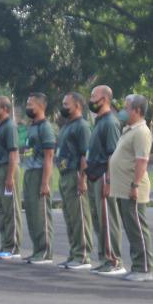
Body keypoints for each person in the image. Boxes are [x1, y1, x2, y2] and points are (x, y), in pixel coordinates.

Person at [108, 94, 153, 282]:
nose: (123, 111)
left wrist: (134, 185)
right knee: (131, 228)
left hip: (133, 188)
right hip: (123, 189)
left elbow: (142, 161)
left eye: (127, 108)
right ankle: (137, 265)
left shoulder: (142, 132)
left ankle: (144, 269)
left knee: (138, 229)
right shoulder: (129, 130)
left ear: (137, 111)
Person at [86, 85, 125, 276]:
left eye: (94, 96)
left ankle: (114, 259)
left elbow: (113, 154)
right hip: (93, 175)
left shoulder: (110, 122)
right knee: (98, 220)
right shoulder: (99, 122)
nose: (91, 100)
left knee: (107, 219)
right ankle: (104, 257)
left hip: (103, 174)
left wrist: (109, 181)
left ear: (105, 100)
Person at [56, 92, 93, 270]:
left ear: (77, 105)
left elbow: (85, 154)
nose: (63, 107)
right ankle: (74, 252)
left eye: (66, 104)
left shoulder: (82, 126)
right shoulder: (66, 126)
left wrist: (82, 179)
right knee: (70, 217)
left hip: (76, 174)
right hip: (64, 174)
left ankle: (83, 255)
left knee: (79, 216)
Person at [21, 93, 56, 265]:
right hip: (29, 171)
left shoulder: (45, 127)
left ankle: (45, 252)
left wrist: (44, 182)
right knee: (31, 213)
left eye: (31, 104)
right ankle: (36, 249)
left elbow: (49, 156)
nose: (28, 107)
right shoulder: (32, 126)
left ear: (41, 106)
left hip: (40, 172)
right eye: (27, 103)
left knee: (41, 214)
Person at [0, 97, 23, 260]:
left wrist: (10, 177)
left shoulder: (9, 127)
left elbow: (13, 153)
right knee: (2, 209)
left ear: (5, 109)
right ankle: (5, 244)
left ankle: (13, 247)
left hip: (7, 170)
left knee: (11, 210)